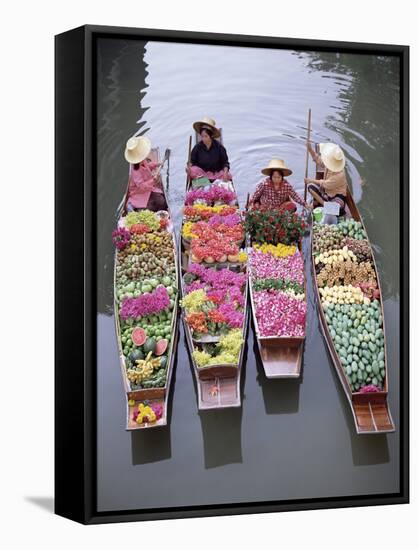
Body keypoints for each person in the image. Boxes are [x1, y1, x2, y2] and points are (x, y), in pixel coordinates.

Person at [124, 136, 167, 212]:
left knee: (162, 202)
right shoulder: (135, 171)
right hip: (139, 193)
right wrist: (153, 179)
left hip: (149, 189)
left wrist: (157, 164)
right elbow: (141, 186)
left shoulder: (142, 161)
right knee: (148, 209)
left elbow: (148, 165)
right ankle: (133, 206)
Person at [304, 142, 348, 215]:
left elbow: (326, 184)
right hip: (328, 194)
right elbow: (319, 161)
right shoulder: (330, 164)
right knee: (311, 188)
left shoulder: (340, 175)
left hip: (337, 197)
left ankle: (323, 205)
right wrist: (310, 149)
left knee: (338, 209)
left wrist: (310, 180)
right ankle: (323, 206)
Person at [187, 117, 232, 182]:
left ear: (211, 136)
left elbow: (225, 163)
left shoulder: (219, 147)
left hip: (216, 174)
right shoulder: (197, 147)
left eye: (206, 136)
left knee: (228, 175)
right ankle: (205, 182)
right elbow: (192, 161)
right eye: (202, 136)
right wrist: (189, 167)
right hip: (202, 175)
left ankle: (209, 182)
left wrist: (225, 172)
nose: (203, 139)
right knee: (193, 170)